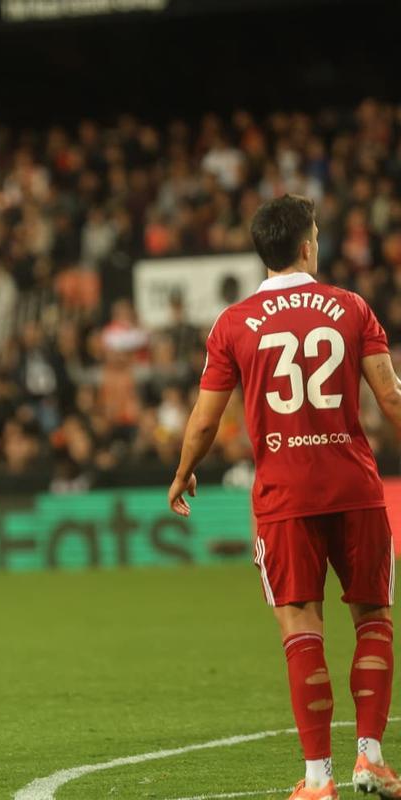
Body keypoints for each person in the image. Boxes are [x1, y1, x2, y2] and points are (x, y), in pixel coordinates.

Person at [169, 194, 401, 800]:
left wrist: (184, 470)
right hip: (354, 486)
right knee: (373, 619)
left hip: (284, 497)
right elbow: (391, 398)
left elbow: (204, 420)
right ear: (306, 245)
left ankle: (319, 778)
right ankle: (372, 758)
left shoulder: (233, 323)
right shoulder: (351, 307)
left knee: (301, 629)